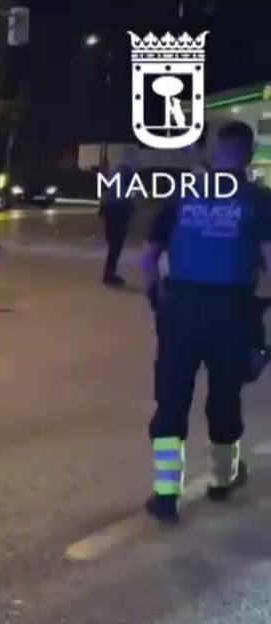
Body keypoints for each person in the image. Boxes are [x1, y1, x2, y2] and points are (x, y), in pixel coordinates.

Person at [139, 119, 271, 522]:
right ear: (249, 156)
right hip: (231, 311)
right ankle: (222, 479)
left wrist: (156, 298)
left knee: (172, 398)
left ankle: (165, 494)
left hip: (179, 309)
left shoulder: (182, 195)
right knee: (225, 397)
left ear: (215, 153)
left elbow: (147, 257)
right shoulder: (259, 199)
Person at [99, 159, 136, 286]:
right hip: (119, 213)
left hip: (112, 212)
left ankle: (109, 273)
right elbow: (127, 199)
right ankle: (109, 274)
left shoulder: (114, 179)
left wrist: (103, 211)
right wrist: (131, 209)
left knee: (113, 245)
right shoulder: (125, 179)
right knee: (115, 246)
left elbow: (105, 196)